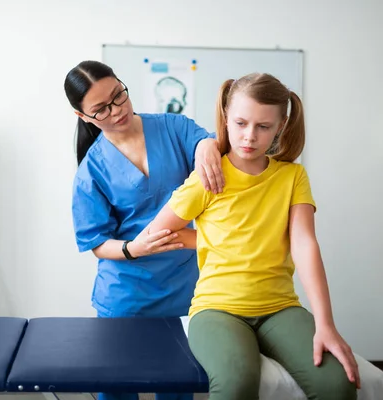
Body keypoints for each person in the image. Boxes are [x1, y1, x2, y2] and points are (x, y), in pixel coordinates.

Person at [147, 72, 360, 400]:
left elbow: (303, 243)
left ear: (281, 126)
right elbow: (157, 232)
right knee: (236, 385)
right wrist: (216, 241)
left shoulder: (292, 176)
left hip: (280, 307)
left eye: (263, 126)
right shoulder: (208, 176)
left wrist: (325, 323)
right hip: (217, 308)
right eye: (241, 123)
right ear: (226, 119)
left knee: (337, 386)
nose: (249, 136)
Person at [65, 60, 224, 400]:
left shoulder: (172, 127)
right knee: (119, 388)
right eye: (101, 110)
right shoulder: (90, 170)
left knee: (178, 386)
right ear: (83, 117)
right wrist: (133, 249)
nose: (116, 110)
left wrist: (207, 145)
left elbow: (204, 143)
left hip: (183, 287)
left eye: (118, 96)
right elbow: (96, 243)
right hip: (125, 295)